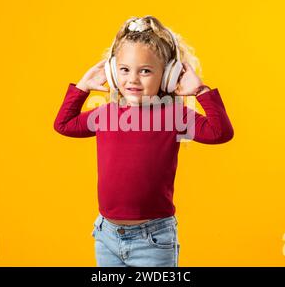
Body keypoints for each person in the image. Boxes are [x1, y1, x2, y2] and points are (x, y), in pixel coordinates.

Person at [53, 15, 234, 267]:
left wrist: (201, 91)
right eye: (124, 70)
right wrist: (82, 88)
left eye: (145, 71)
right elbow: (63, 125)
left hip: (154, 239)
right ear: (113, 73)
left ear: (169, 75)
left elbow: (220, 132)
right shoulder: (106, 113)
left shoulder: (173, 115)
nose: (133, 80)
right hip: (107, 236)